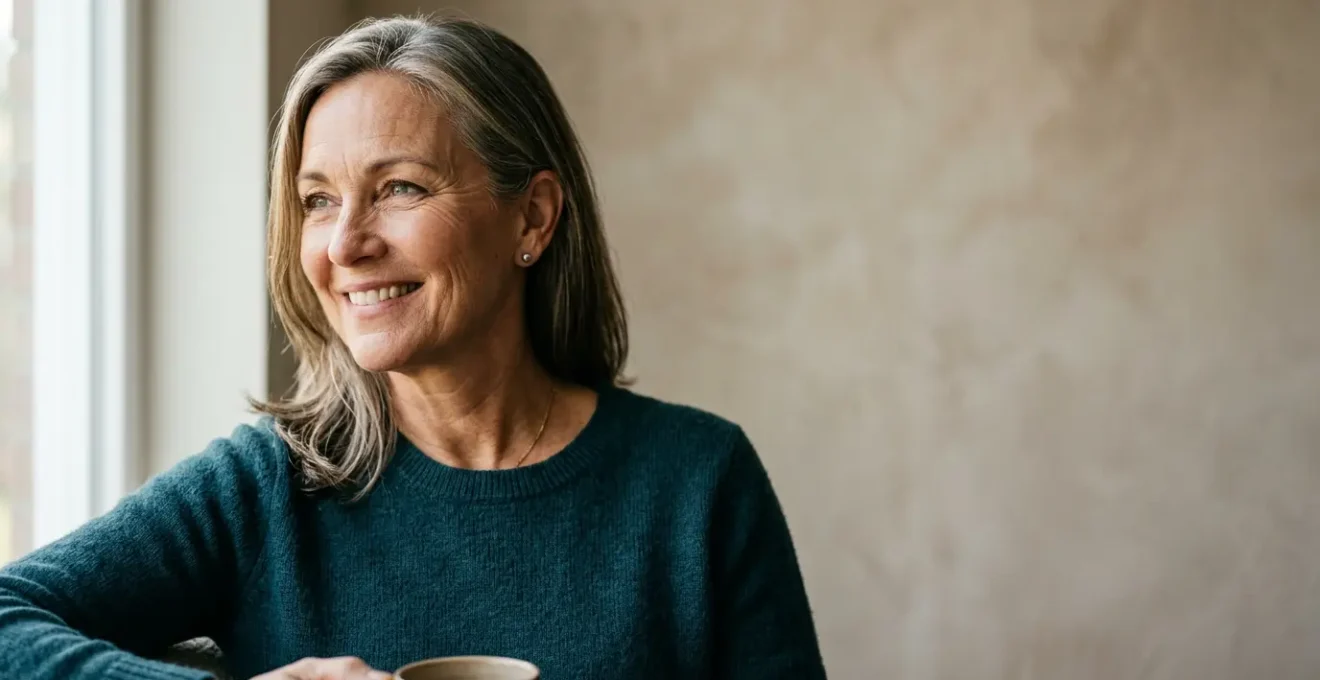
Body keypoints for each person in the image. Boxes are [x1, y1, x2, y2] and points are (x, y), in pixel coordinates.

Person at [0, 15, 825, 680]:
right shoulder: (265, 488)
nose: (346, 244)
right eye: (318, 201)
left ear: (532, 219)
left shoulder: (699, 480)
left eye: (399, 188)